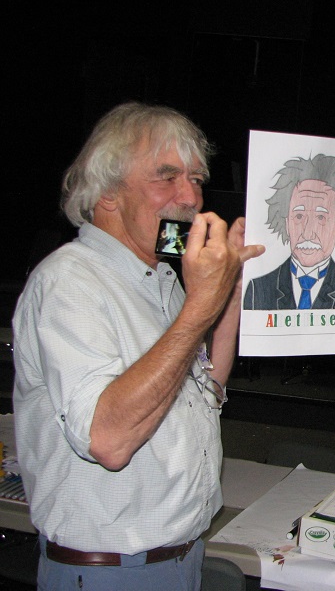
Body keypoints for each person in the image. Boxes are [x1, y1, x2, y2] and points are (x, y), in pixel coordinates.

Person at [12, 101, 265, 590]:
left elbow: (205, 389)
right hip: (108, 573)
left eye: (196, 178)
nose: (191, 197)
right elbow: (107, 440)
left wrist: (230, 294)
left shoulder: (161, 280)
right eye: (167, 177)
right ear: (107, 193)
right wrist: (199, 309)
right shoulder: (69, 281)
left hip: (180, 560)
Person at [242, 153, 335, 310]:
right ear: (287, 223)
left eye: (321, 217)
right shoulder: (257, 289)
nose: (308, 233)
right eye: (299, 216)